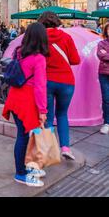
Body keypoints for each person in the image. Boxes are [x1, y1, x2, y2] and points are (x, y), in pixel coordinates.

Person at [2, 22, 49, 187]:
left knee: (22, 135)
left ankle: (23, 169)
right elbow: (40, 87)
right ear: (42, 39)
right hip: (26, 102)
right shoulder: (39, 59)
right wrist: (43, 110)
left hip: (14, 99)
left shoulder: (20, 53)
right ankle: (20, 173)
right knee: (23, 137)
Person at [38, 11, 80, 160]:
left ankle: (49, 150)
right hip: (67, 82)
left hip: (46, 82)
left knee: (48, 118)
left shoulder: (39, 39)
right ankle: (65, 148)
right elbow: (75, 60)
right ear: (57, 22)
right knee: (62, 115)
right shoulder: (67, 37)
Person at [97, 23, 109, 135]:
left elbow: (105, 56)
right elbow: (101, 55)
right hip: (104, 74)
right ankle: (107, 123)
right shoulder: (101, 43)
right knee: (106, 99)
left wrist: (107, 54)